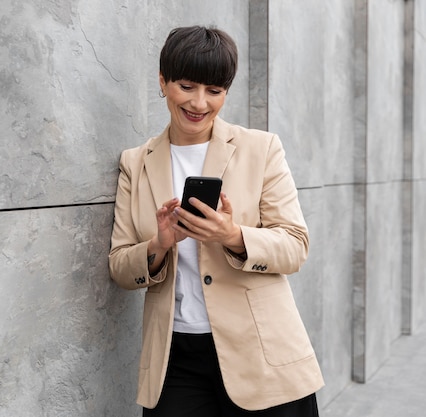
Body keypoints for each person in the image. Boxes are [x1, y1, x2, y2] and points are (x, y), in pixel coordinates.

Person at [108, 26, 324, 416]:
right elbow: (121, 266)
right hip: (174, 360)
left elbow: (295, 246)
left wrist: (233, 235)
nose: (199, 103)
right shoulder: (135, 162)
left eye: (215, 91)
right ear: (163, 82)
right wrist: (158, 245)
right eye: (187, 86)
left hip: (261, 352)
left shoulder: (261, 149)